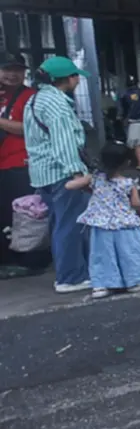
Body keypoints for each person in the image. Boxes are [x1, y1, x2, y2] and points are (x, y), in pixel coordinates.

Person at [24, 56, 91, 293]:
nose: (78, 81)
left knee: (61, 225)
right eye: (76, 77)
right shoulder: (57, 105)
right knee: (71, 225)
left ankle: (72, 271)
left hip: (43, 173)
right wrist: (77, 174)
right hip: (62, 174)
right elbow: (64, 144)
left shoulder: (34, 100)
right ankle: (70, 277)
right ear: (68, 78)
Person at [65, 142, 140, 299]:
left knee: (102, 254)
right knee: (129, 252)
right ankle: (134, 281)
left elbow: (69, 186)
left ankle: (102, 285)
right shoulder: (129, 183)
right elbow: (136, 203)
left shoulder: (95, 179)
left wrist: (82, 180)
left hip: (101, 224)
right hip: (125, 224)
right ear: (127, 162)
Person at [0, 53, 37, 270]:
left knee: (24, 214)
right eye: (7, 70)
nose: (12, 75)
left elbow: (28, 129)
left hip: (19, 164)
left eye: (17, 70)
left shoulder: (31, 96)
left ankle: (27, 259)